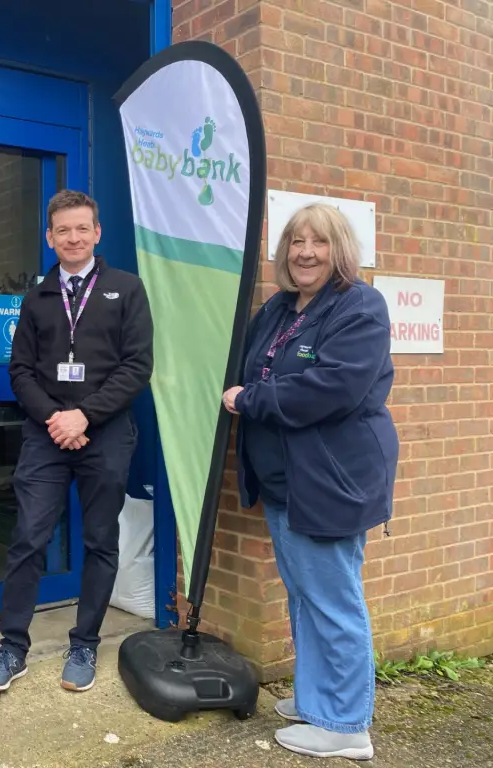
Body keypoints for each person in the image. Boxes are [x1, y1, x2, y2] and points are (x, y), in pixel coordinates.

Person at [222, 203, 398, 761]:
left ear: (339, 249)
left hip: (330, 479)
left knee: (332, 600)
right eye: (296, 241)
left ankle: (345, 725)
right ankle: (317, 698)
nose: (304, 252)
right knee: (305, 596)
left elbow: (333, 388)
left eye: (318, 242)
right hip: (286, 483)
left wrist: (251, 400)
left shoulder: (359, 307)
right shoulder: (278, 309)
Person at [0, 190, 153, 693]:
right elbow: (21, 371)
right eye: (62, 231)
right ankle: (12, 647)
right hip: (46, 436)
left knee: (100, 541)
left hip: (107, 433)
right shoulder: (38, 297)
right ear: (49, 237)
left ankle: (85, 643)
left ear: (97, 233)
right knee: (28, 538)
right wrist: (57, 418)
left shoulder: (127, 288)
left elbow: (137, 366)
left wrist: (84, 415)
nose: (72, 238)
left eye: (82, 229)